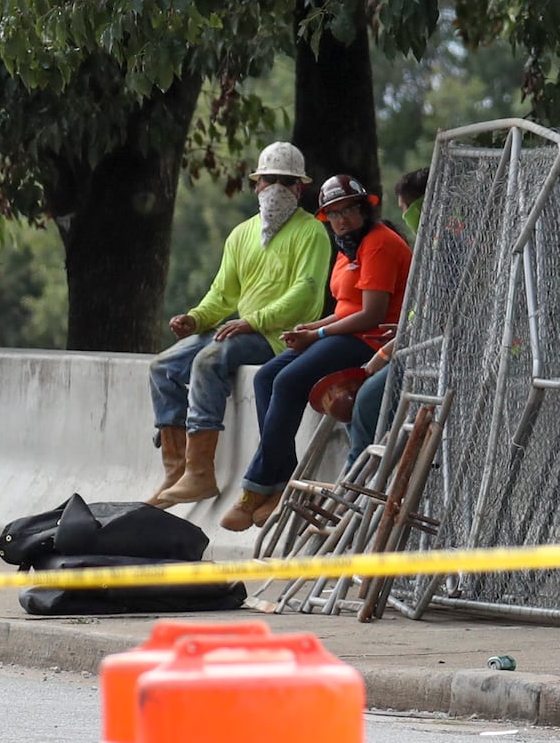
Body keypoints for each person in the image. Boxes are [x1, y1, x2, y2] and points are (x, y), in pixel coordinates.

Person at [221, 175, 413, 531]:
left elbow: (371, 314)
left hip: (372, 340)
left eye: (348, 211)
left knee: (290, 381)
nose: (342, 219)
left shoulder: (378, 243)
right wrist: (311, 329)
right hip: (347, 331)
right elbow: (345, 308)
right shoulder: (347, 247)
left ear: (364, 209)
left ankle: (255, 485)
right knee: (266, 378)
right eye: (334, 214)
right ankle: (280, 481)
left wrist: (319, 332)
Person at [144, 142, 330, 509]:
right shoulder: (241, 234)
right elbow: (222, 294)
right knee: (163, 366)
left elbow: (304, 296)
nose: (275, 188)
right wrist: (196, 318)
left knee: (209, 359)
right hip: (241, 326)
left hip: (279, 337)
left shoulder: (312, 233)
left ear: (299, 189)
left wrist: (253, 322)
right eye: (268, 181)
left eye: (285, 181)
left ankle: (201, 473)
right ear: (256, 186)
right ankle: (177, 467)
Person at [346, 167, 430, 466]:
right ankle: (359, 477)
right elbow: (420, 312)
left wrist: (384, 353)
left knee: (368, 399)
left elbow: (435, 316)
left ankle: (356, 488)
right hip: (414, 345)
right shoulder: (429, 246)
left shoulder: (447, 246)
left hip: (434, 355)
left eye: (405, 209)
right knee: (351, 400)